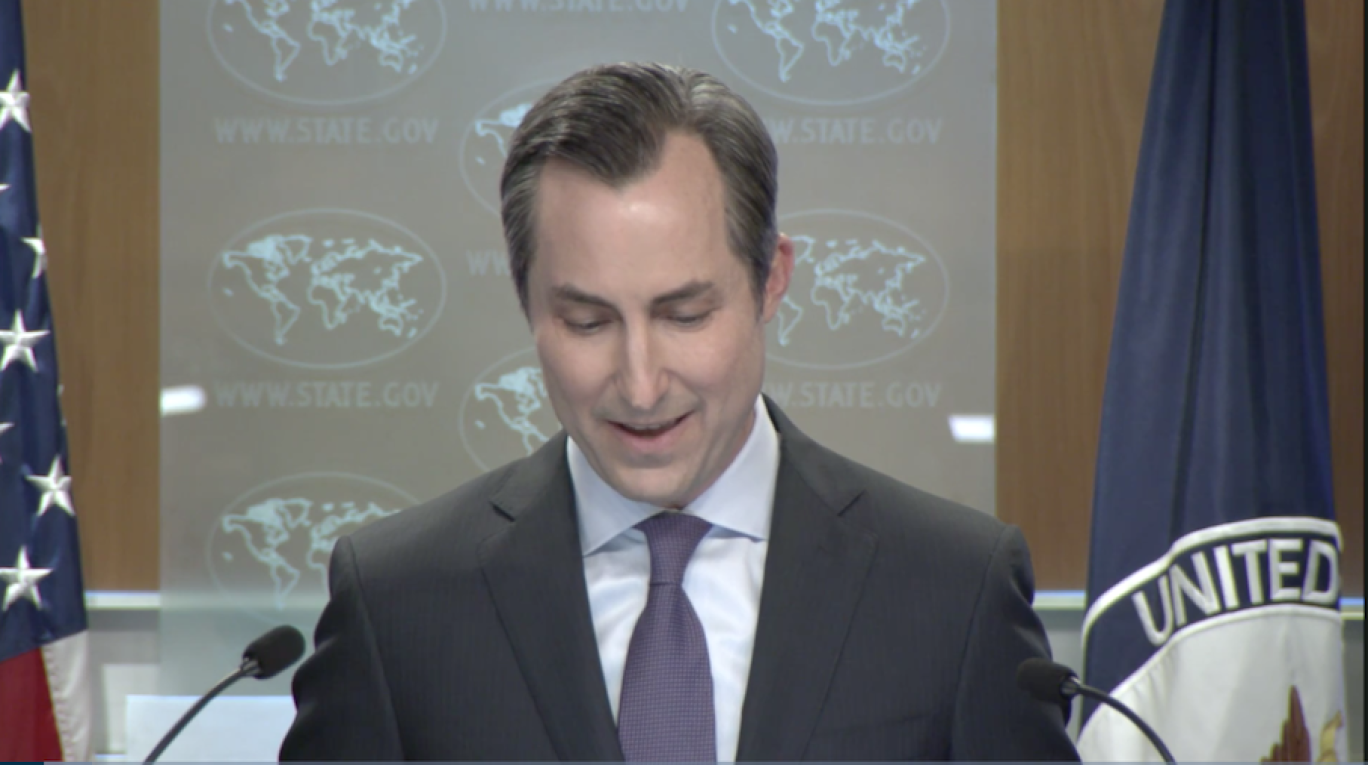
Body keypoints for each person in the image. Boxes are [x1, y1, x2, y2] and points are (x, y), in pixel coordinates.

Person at [280, 62, 1078, 762]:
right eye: (587, 322)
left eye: (685, 315)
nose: (640, 383)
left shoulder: (953, 591)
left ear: (771, 279)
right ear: (527, 303)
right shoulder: (398, 604)